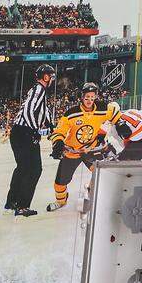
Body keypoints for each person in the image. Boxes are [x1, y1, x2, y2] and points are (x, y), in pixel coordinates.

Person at [46, 83, 112, 212]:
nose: (90, 100)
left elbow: (110, 120)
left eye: (92, 97)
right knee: (60, 182)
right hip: (72, 151)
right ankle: (61, 201)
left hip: (91, 150)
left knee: (100, 173)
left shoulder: (102, 110)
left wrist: (103, 134)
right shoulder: (71, 113)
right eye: (87, 97)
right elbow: (59, 131)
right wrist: (58, 143)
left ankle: (92, 193)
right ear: (82, 97)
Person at [5, 64, 55, 217]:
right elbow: (28, 111)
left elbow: (43, 112)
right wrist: (34, 130)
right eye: (51, 76)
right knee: (34, 169)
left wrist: (52, 126)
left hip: (19, 132)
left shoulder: (37, 91)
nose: (52, 79)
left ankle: (11, 203)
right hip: (25, 132)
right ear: (45, 77)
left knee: (22, 168)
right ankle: (22, 206)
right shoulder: (39, 89)